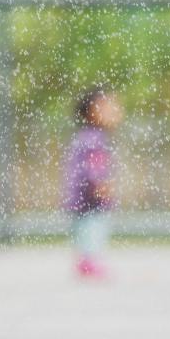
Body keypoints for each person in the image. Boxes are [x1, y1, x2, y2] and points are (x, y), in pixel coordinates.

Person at [62, 88, 123, 279]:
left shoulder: (87, 136)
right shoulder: (94, 138)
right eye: (110, 107)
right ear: (93, 112)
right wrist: (101, 185)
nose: (117, 111)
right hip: (90, 198)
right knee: (93, 224)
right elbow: (94, 168)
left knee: (86, 225)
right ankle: (89, 260)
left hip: (81, 197)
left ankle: (87, 258)